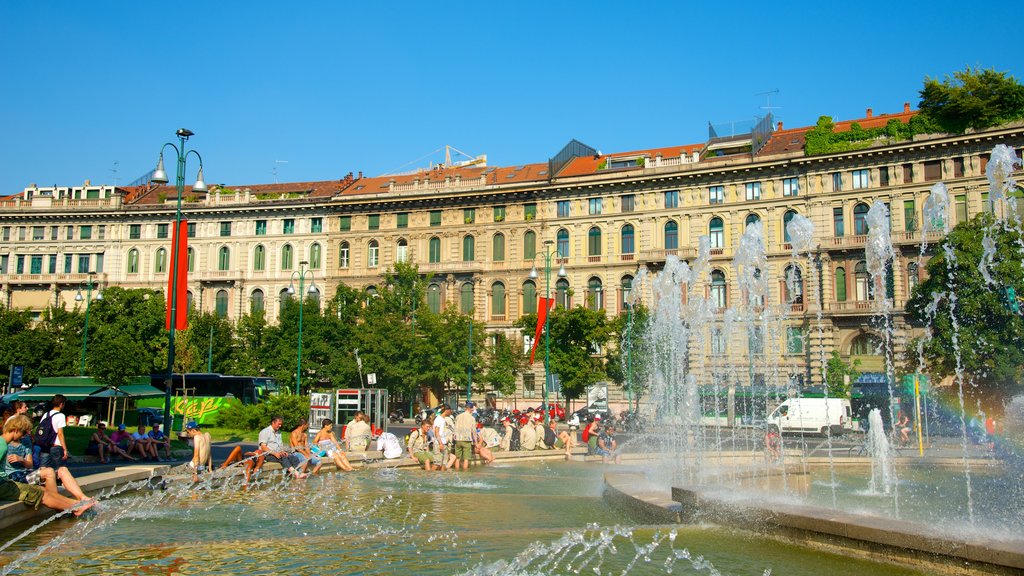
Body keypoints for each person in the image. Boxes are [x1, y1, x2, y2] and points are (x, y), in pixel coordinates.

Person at [0, 415, 94, 516]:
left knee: (43, 490)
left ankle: (77, 506)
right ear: (15, 430)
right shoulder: (2, 445)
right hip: (2, 485)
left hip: (4, 482)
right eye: (23, 433)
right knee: (41, 493)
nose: (23, 437)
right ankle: (76, 507)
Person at [251, 416, 308, 481]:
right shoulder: (265, 432)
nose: (280, 426)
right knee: (282, 457)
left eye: (281, 424)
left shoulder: (279, 433)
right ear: (273, 422)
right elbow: (263, 447)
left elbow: (280, 446)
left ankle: (291, 476)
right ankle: (296, 474)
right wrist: (275, 453)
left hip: (278, 453)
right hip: (268, 455)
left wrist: (283, 451)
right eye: (279, 424)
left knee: (294, 458)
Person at [452, 401, 477, 471]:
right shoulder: (472, 418)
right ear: (471, 409)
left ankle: (457, 472)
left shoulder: (458, 416)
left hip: (458, 439)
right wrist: (476, 442)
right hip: (467, 439)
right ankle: (465, 473)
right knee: (466, 458)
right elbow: (474, 431)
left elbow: (454, 428)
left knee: (457, 458)